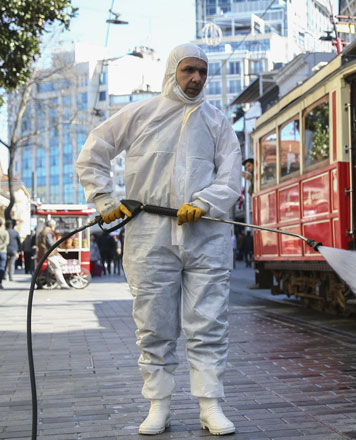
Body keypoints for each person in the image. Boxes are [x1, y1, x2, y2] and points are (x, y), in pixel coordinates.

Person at [75, 43, 241, 435]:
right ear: (173, 72)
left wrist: (204, 202)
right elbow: (94, 153)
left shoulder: (217, 122)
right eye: (188, 70)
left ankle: (210, 405)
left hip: (207, 236)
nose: (196, 78)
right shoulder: (141, 114)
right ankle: (159, 405)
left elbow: (231, 178)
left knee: (209, 322)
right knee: (154, 325)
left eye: (202, 71)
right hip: (150, 236)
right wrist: (104, 198)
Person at [36, 220, 70, 289]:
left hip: (51, 253)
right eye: (54, 225)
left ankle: (51, 273)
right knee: (57, 268)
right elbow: (51, 244)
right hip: (49, 253)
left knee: (63, 262)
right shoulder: (48, 232)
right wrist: (58, 241)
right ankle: (63, 284)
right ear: (51, 225)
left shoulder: (45, 231)